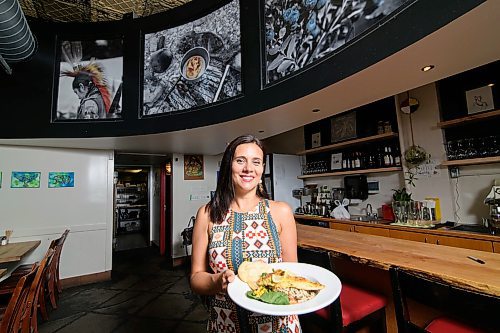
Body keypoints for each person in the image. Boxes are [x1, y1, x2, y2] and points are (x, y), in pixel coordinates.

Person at [190, 134, 301, 332]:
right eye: (240, 160)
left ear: (262, 168)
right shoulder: (207, 214)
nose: (248, 168)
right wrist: (216, 282)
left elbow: (291, 275)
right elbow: (196, 278)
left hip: (276, 324)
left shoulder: (281, 212)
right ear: (228, 165)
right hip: (226, 323)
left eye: (256, 162)